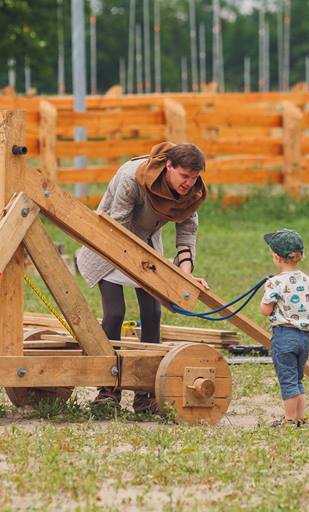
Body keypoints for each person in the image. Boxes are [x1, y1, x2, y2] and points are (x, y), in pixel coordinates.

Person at [76, 142, 210, 413]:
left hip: (147, 248)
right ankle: (107, 391)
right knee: (114, 313)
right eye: (184, 176)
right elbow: (119, 227)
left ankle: (146, 394)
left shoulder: (191, 191)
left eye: (194, 177)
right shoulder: (131, 177)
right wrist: (153, 272)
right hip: (111, 243)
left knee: (152, 313)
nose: (189, 183)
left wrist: (184, 276)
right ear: (169, 166)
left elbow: (186, 232)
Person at [259, 228, 309, 428]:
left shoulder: (274, 283)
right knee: (298, 379)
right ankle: (301, 418)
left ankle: (290, 420)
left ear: (276, 257)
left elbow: (265, 310)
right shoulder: (306, 279)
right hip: (304, 337)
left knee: (288, 381)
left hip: (284, 336)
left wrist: (266, 295)